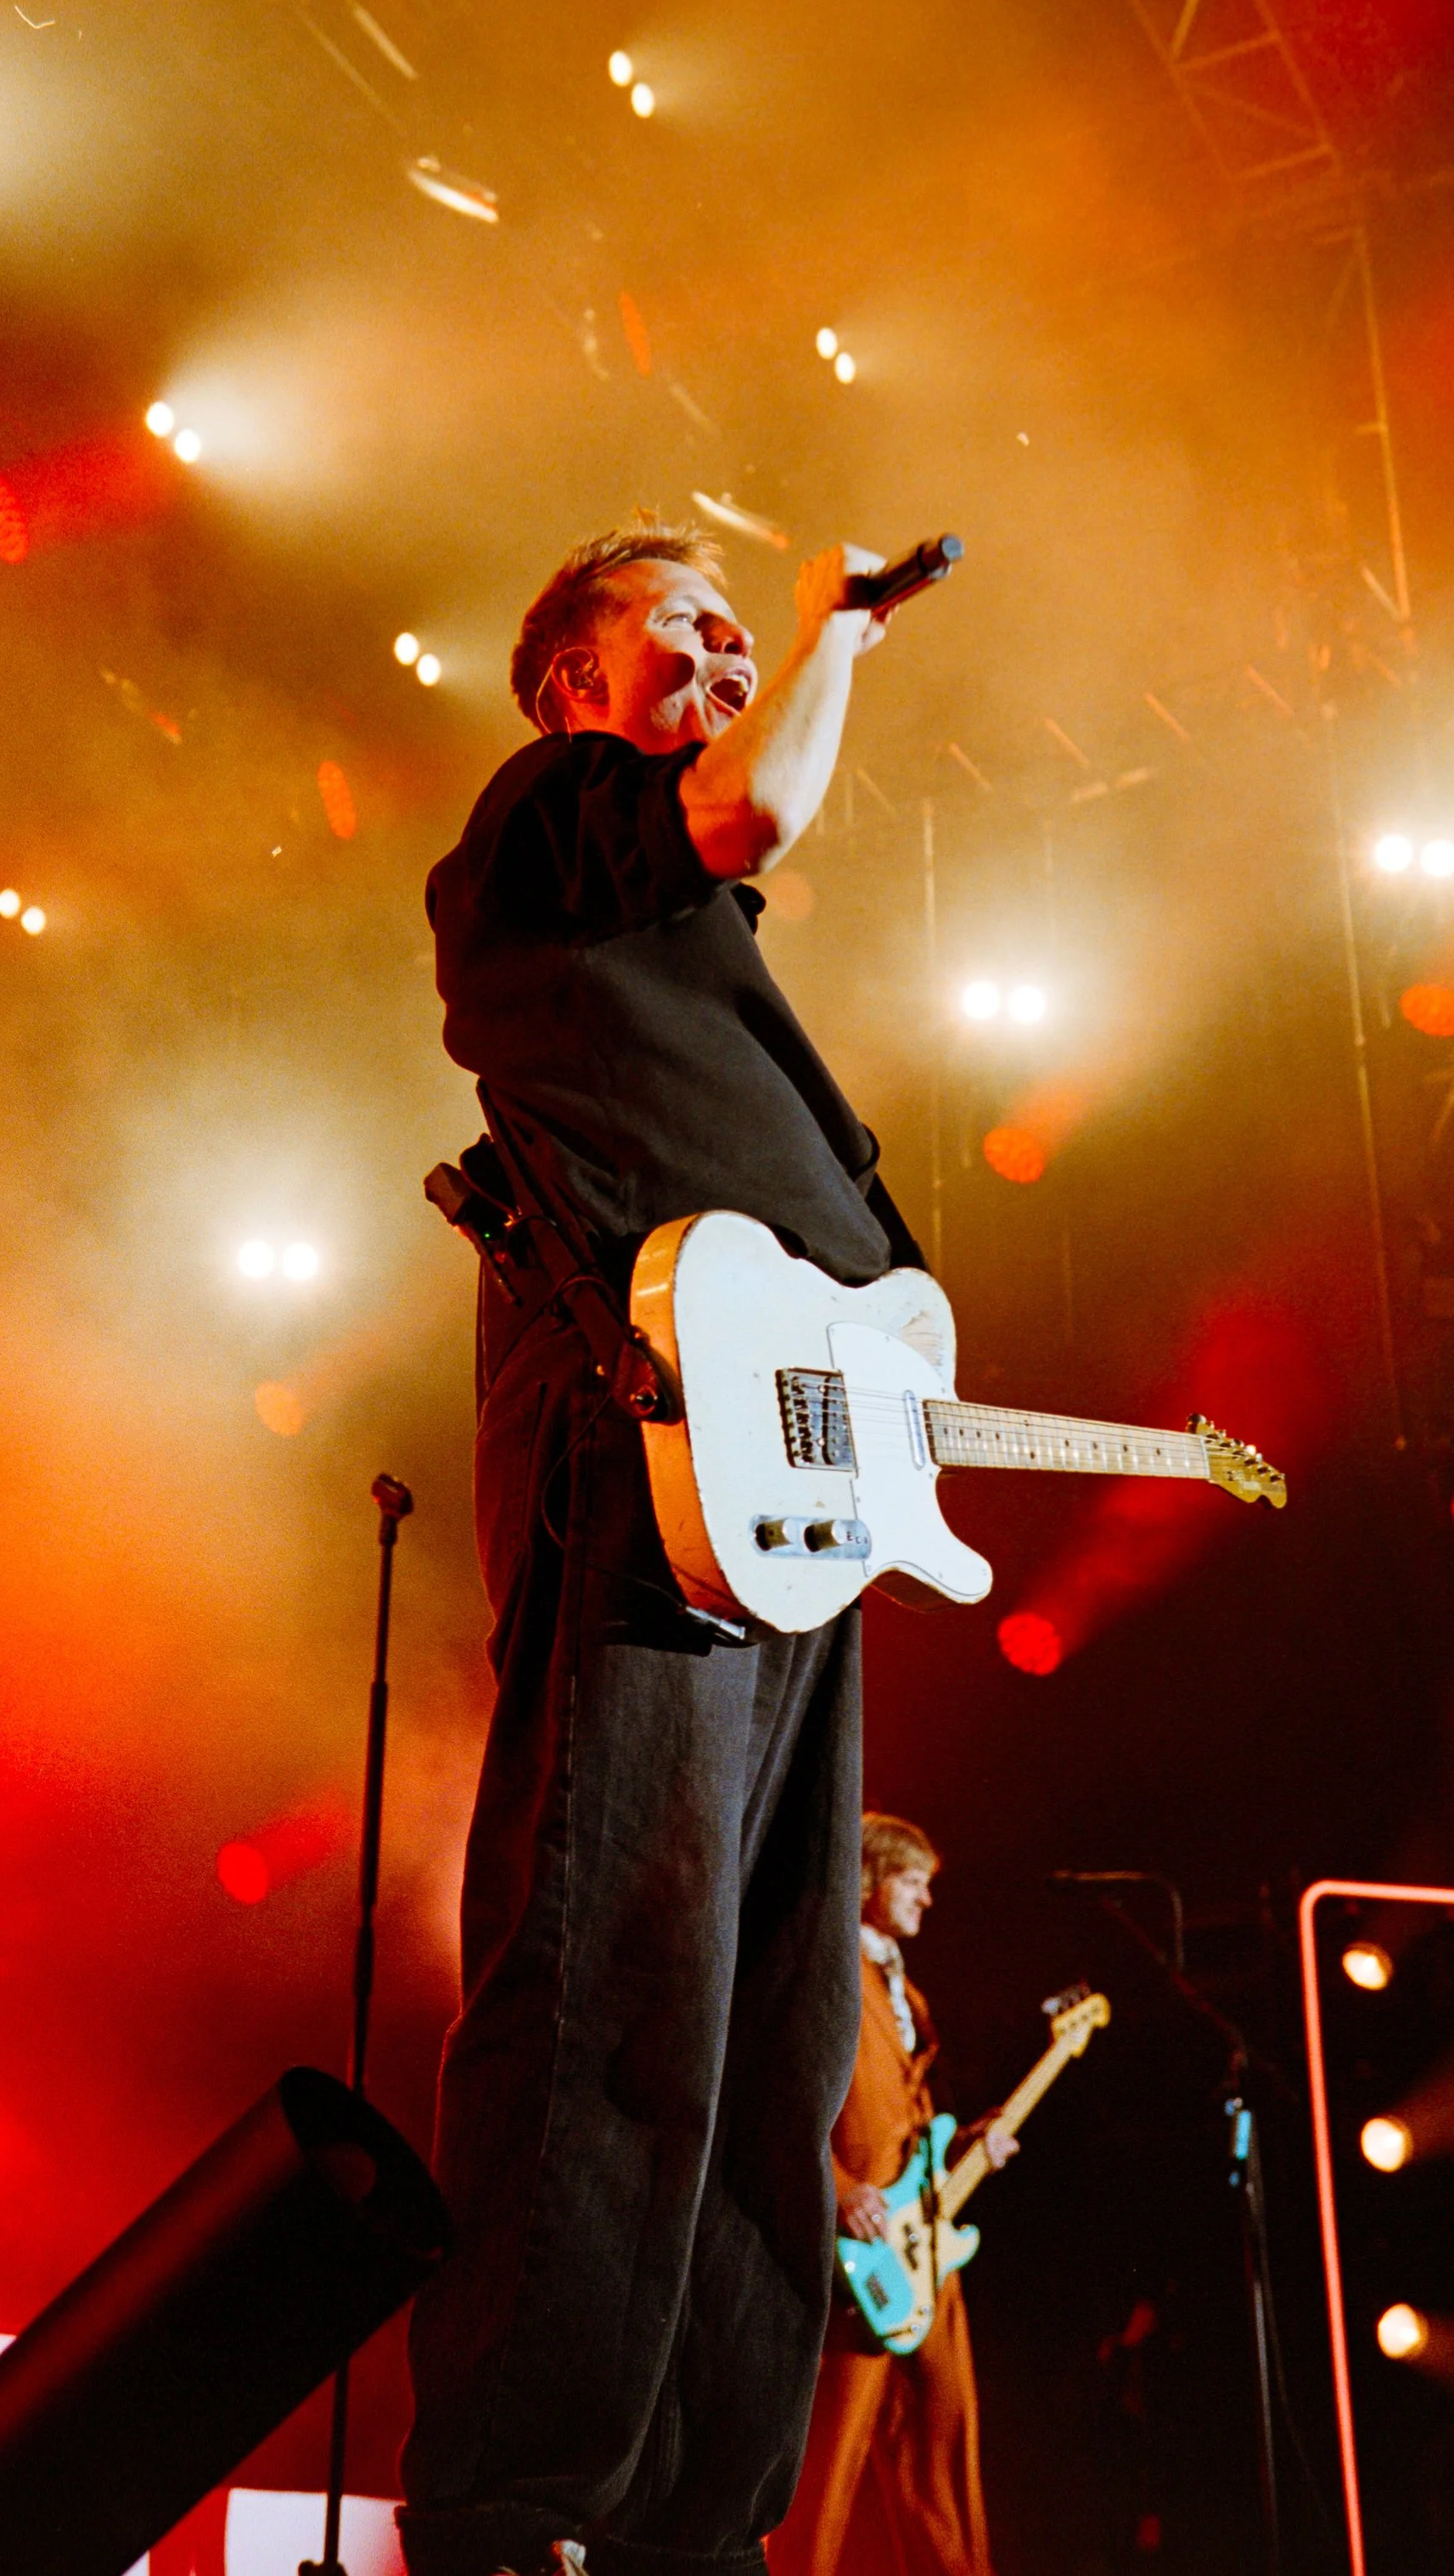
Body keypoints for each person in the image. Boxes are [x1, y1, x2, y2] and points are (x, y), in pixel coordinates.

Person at [400, 521, 922, 2576]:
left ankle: (702, 2520)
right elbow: (757, 795)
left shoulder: (689, 945)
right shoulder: (553, 823)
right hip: (647, 1460)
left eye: (736, 622)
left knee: (776, 2013)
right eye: (680, 627)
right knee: (617, 1955)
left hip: (793, 1487)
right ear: (569, 684)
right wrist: (828, 630)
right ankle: (526, 2507)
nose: (720, 648)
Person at [768, 1816, 1013, 2576]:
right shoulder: (823, 1972)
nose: (926, 1901)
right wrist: (835, 2187)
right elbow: (774, 2097)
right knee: (832, 2458)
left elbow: (910, 2119)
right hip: (857, 2250)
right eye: (913, 1881)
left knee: (944, 2444)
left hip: (927, 2247)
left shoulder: (910, 1991)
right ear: (870, 1881)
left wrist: (971, 2144)